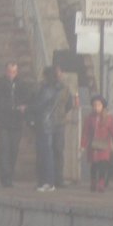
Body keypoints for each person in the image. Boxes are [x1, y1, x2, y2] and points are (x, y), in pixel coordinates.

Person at [0, 61, 34, 188]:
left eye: (14, 72)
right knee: (4, 149)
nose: (11, 74)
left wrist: (24, 108)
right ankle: (5, 177)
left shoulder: (23, 85)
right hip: (2, 122)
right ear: (5, 71)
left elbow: (29, 99)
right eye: (9, 71)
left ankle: (10, 174)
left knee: (14, 149)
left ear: (17, 72)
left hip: (16, 121)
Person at [32, 64, 73, 192]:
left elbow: (69, 104)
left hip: (52, 122)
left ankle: (53, 179)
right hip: (56, 121)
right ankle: (51, 179)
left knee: (54, 151)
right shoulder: (59, 88)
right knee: (53, 151)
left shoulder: (58, 88)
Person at [81, 94, 113, 192]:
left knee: (103, 164)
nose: (96, 107)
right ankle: (93, 182)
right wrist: (83, 144)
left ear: (103, 106)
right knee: (94, 165)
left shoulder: (108, 118)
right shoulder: (89, 118)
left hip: (104, 145)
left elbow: (112, 130)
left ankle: (101, 183)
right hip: (93, 145)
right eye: (94, 105)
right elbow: (85, 132)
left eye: (98, 105)